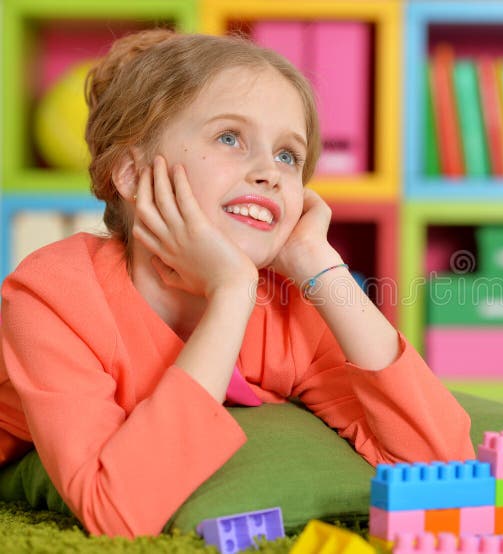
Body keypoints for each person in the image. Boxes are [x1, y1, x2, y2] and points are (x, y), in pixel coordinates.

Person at [0, 29, 473, 538]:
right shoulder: (52, 298)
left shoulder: (288, 308)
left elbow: (442, 467)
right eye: (230, 138)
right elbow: (115, 512)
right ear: (133, 176)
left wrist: (321, 265)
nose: (269, 172)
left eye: (288, 156)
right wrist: (230, 297)